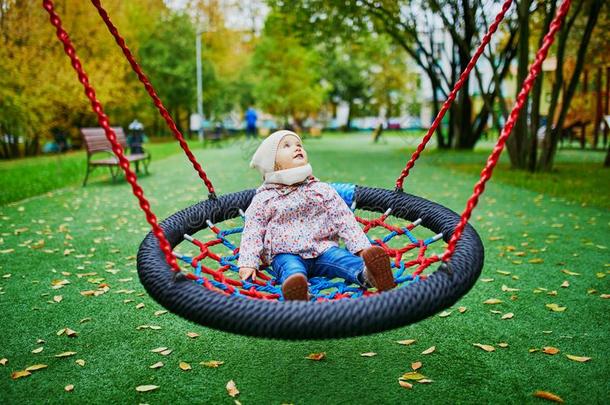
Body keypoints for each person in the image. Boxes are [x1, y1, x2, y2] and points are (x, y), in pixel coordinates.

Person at [238, 130, 395, 300]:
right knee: (291, 270)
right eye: (287, 146)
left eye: (299, 145)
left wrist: (362, 248)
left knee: (344, 260)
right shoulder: (264, 198)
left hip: (323, 249)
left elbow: (343, 218)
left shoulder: (321, 190)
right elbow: (253, 231)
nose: (297, 148)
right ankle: (298, 292)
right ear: (273, 163)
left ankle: (371, 275)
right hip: (286, 253)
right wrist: (248, 262)